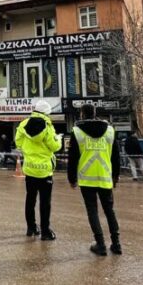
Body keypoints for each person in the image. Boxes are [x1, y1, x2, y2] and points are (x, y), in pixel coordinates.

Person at [69, 104, 121, 255]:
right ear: (95, 113)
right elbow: (115, 156)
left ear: (82, 114)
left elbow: (73, 157)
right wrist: (115, 175)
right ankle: (116, 244)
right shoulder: (110, 130)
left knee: (92, 211)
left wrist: (72, 178)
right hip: (105, 177)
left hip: (87, 179)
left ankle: (100, 244)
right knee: (109, 210)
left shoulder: (77, 131)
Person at [16, 99, 61, 241]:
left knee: (30, 199)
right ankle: (45, 231)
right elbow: (55, 146)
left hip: (29, 169)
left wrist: (28, 150)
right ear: (46, 112)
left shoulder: (23, 124)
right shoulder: (48, 126)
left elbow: (18, 142)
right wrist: (58, 139)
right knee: (45, 202)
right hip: (45, 170)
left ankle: (31, 228)